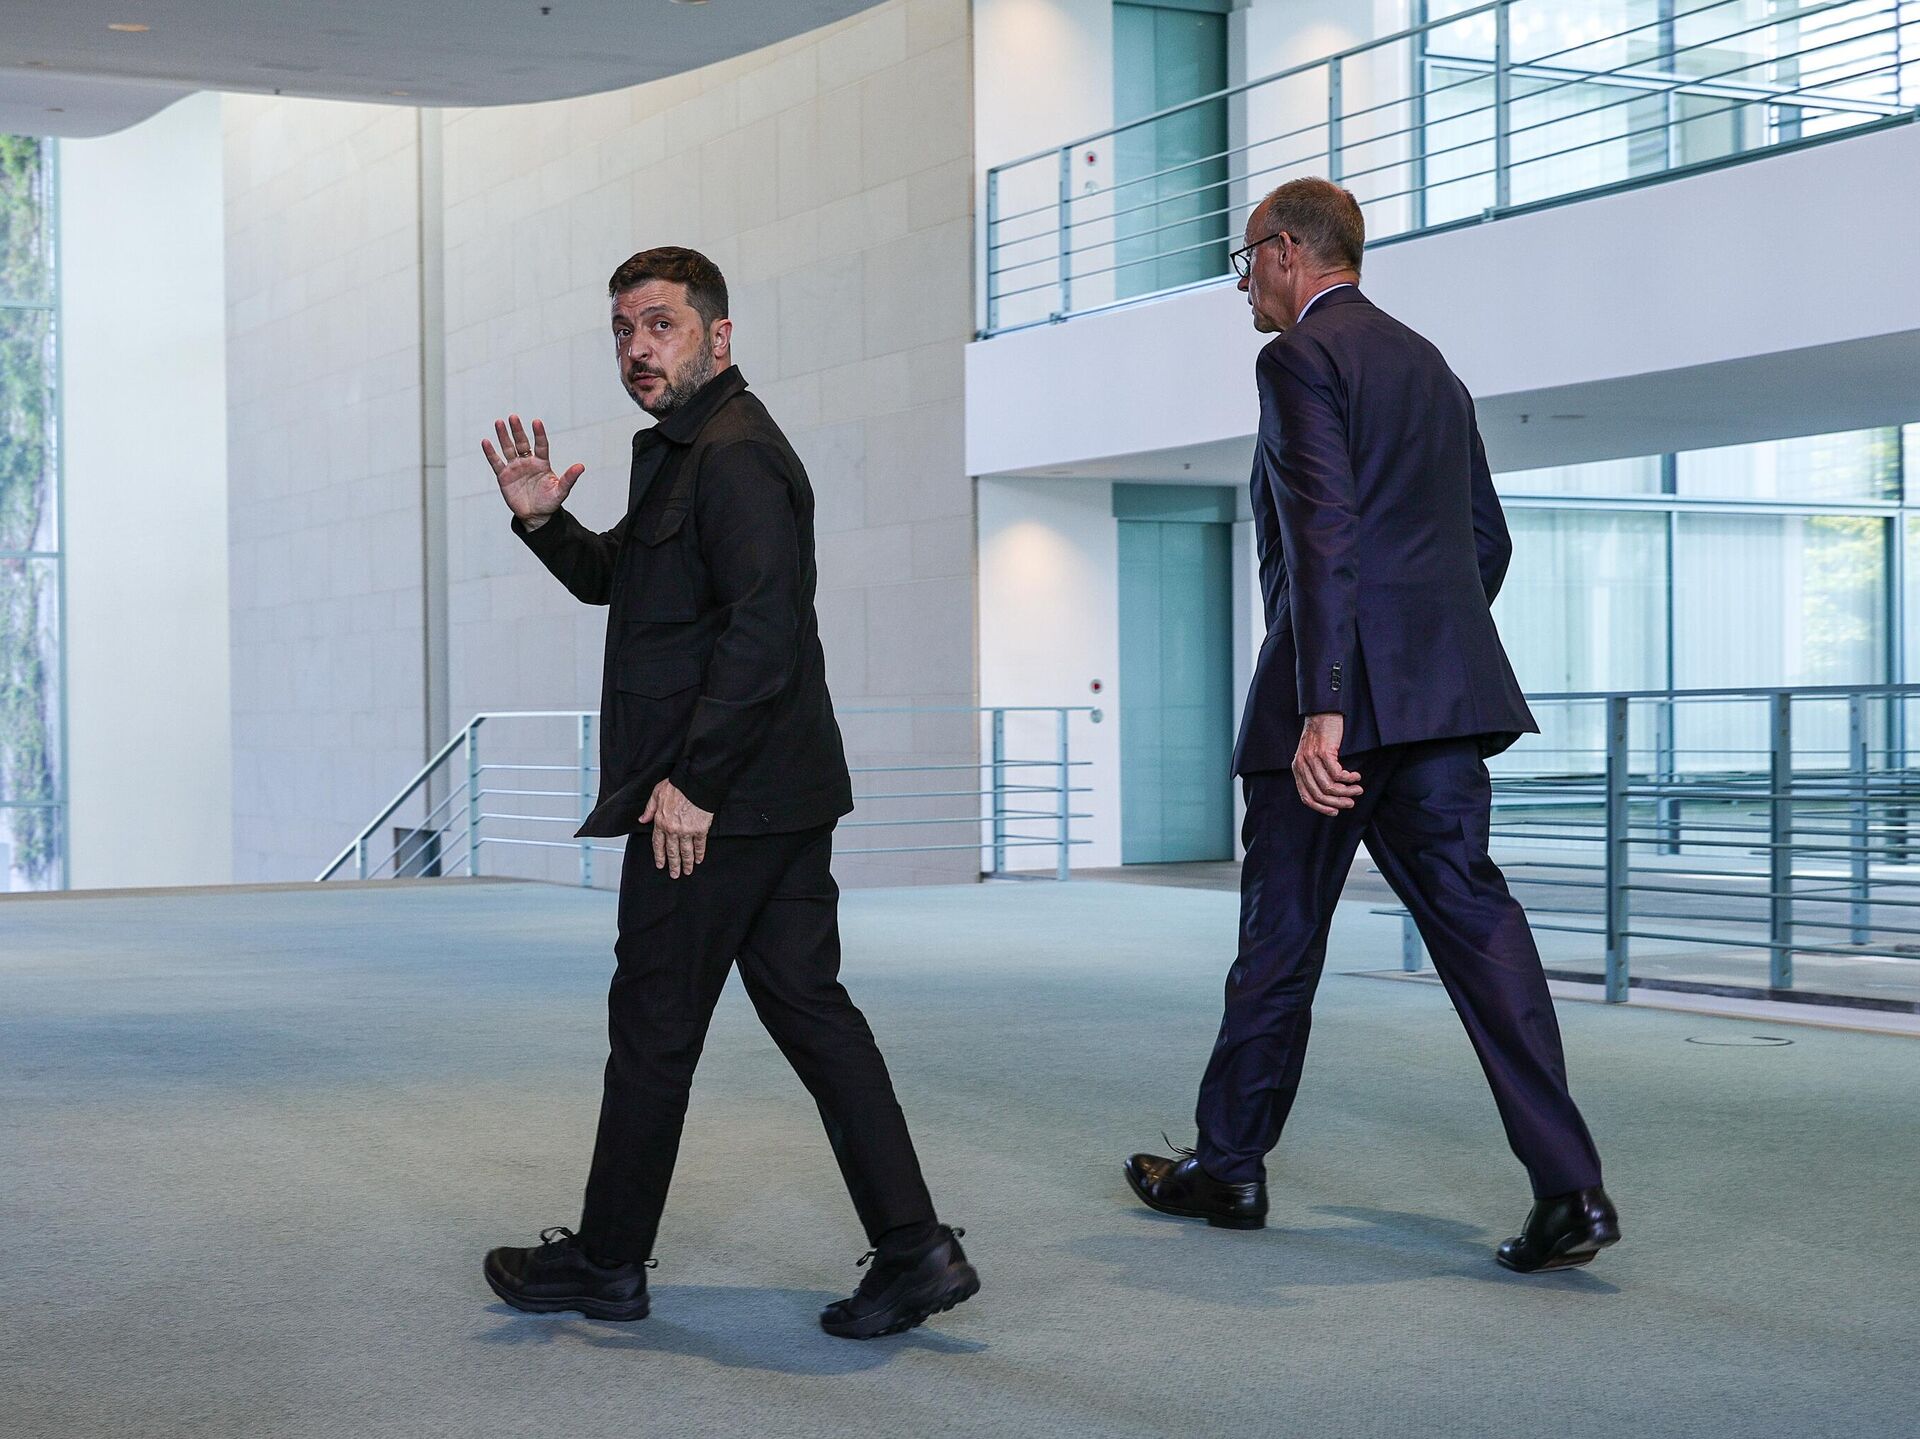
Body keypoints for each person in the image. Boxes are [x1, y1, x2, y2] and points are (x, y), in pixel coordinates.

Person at [478, 246, 977, 1337]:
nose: (637, 348)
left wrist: (693, 784)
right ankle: (916, 1248)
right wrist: (542, 520)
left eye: (660, 324)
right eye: (623, 329)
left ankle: (608, 1261)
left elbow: (766, 629)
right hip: (774, 797)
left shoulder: (736, 454)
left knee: (654, 1025)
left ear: (719, 333)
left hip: (718, 805)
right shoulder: (683, 451)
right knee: (812, 1013)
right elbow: (625, 581)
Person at [1123, 180, 1619, 1274]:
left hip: (1334, 717)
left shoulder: (1299, 359)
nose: (1243, 287)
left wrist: (1329, 702)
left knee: (1281, 935)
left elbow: (1323, 533)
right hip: (1438, 708)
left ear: (1286, 251)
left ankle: (1230, 1166)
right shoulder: (1431, 365)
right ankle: (1571, 1189)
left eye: (1245, 263)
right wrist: (1418, 657)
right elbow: (1484, 540)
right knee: (1481, 931)